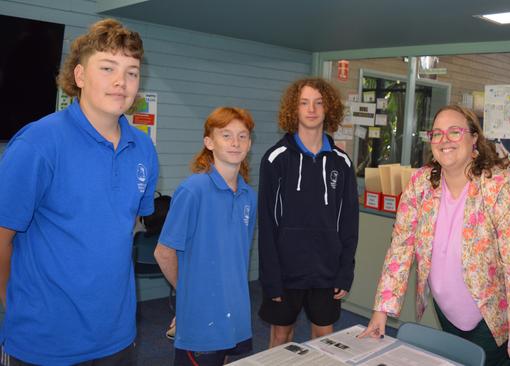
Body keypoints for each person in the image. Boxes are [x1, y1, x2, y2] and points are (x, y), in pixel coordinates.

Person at [0, 19, 158, 365]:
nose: (121, 81)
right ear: (80, 76)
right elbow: (1, 238)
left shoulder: (143, 150)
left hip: (116, 336)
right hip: (44, 343)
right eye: (107, 68)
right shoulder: (37, 144)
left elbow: (123, 228)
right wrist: (15, 308)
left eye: (132, 72)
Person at [359, 105, 510, 366]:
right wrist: (381, 310)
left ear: (474, 138)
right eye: (437, 134)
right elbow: (400, 247)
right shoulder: (421, 184)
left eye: (455, 132)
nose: (445, 140)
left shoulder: (502, 188)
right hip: (445, 311)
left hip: (489, 320)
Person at [257, 77, 359, 347]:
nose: (311, 109)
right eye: (304, 103)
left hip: (326, 270)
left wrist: (345, 272)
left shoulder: (342, 162)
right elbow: (266, 224)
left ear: (329, 109)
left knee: (324, 339)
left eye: (318, 103)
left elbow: (349, 223)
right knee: (281, 336)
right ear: (294, 109)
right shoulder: (275, 158)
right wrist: (271, 278)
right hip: (286, 270)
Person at [154, 107, 257, 366]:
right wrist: (189, 293)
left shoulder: (249, 196)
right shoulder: (193, 190)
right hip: (201, 317)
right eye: (226, 135)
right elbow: (163, 252)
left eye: (242, 136)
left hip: (235, 312)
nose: (235, 143)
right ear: (209, 142)